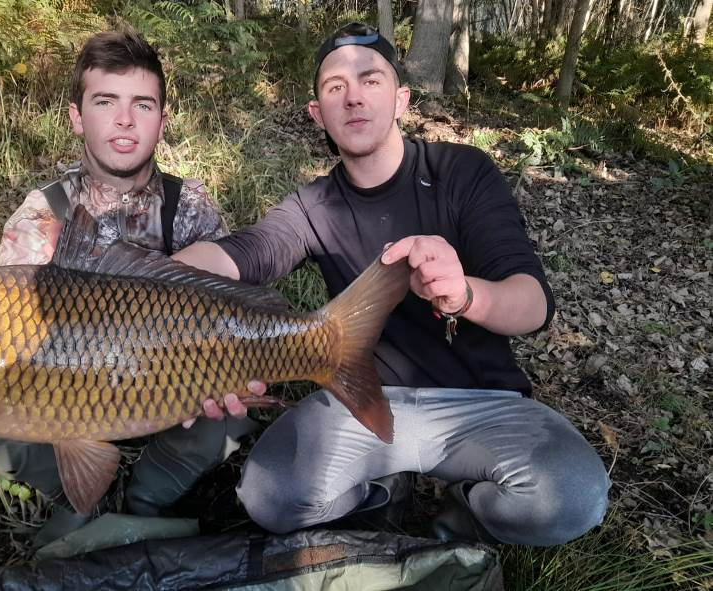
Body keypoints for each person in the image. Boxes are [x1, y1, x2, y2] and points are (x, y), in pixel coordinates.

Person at [174, 22, 610, 546]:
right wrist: (152, 279)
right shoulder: (313, 206)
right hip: (363, 399)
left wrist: (467, 293)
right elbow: (242, 254)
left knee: (572, 497)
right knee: (271, 497)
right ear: (318, 114)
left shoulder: (461, 172)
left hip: (483, 402)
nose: (353, 96)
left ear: (401, 99)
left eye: (371, 80)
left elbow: (534, 304)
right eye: (334, 87)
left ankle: (467, 510)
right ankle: (380, 493)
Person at [0, 28, 258, 525]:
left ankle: (147, 502)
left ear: (163, 119)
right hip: (66, 391)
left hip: (170, 385)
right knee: (3, 425)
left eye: (143, 104)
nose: (124, 120)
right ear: (76, 116)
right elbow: (15, 344)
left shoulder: (189, 206)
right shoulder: (41, 216)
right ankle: (79, 507)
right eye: (105, 101)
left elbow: (230, 310)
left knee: (232, 411)